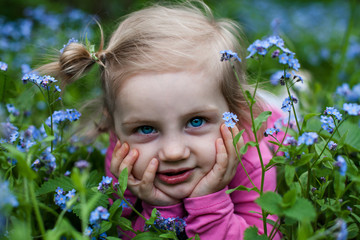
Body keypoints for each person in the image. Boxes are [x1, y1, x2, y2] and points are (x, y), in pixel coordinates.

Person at [40, 1, 283, 239]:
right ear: (113, 127)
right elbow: (127, 230)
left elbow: (264, 235)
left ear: (237, 114)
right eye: (146, 128)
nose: (173, 152)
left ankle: (282, 99)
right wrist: (160, 206)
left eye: (196, 121)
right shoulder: (124, 163)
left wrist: (210, 203)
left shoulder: (251, 160)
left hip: (274, 127)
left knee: (283, 121)